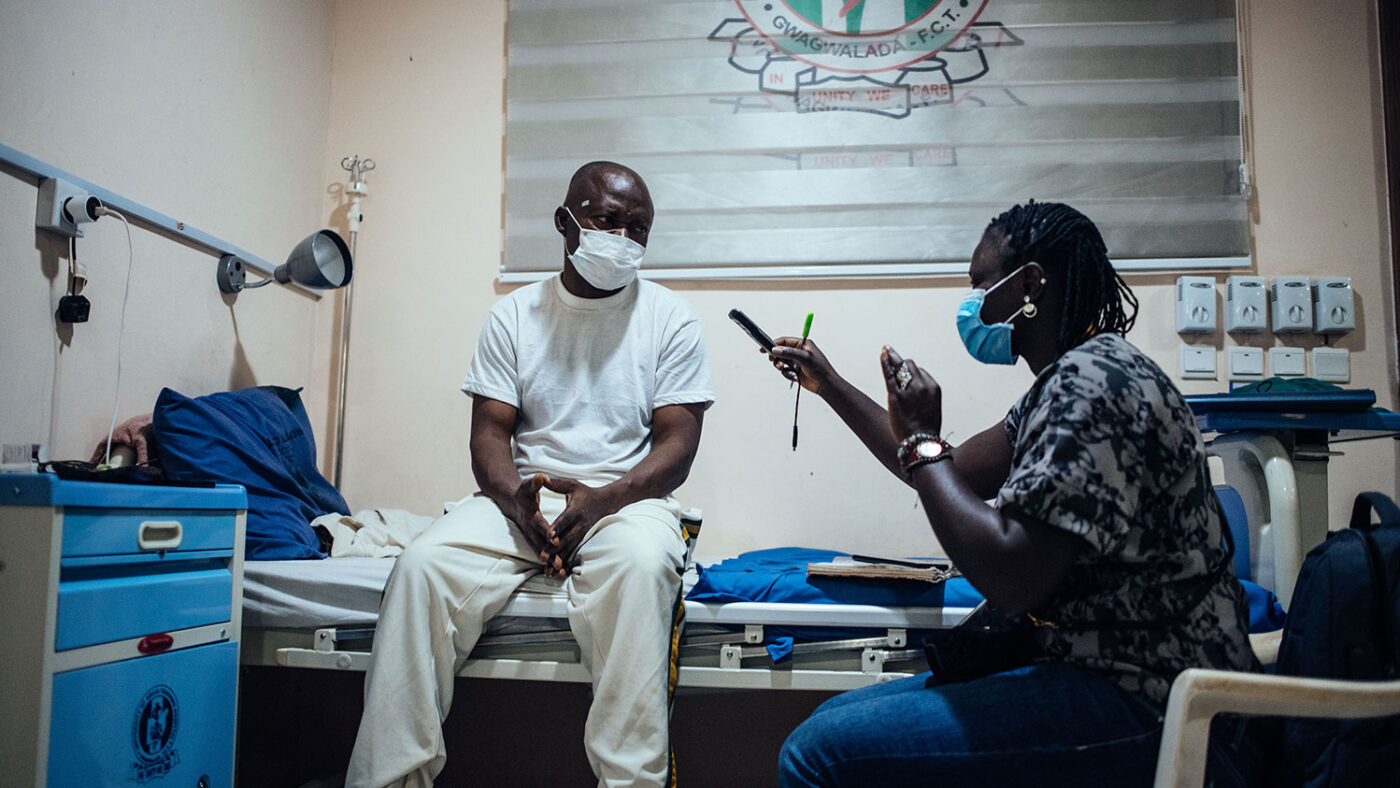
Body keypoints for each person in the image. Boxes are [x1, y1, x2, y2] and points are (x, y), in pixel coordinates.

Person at [768, 201, 1260, 786]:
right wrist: (830, 385)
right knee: (832, 721)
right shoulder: (1072, 379)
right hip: (1109, 673)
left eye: (980, 285)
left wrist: (922, 439)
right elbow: (942, 471)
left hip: (1147, 696)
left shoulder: (1091, 387)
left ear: (1029, 284)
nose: (971, 305)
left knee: (817, 753)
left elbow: (1012, 575)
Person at [346, 161, 715, 788]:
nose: (624, 239)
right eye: (609, 220)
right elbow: (489, 435)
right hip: (524, 496)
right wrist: (519, 504)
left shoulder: (670, 318)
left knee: (643, 566)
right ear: (565, 222)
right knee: (422, 568)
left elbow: (677, 448)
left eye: (639, 229)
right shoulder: (515, 315)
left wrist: (602, 501)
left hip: (625, 499)